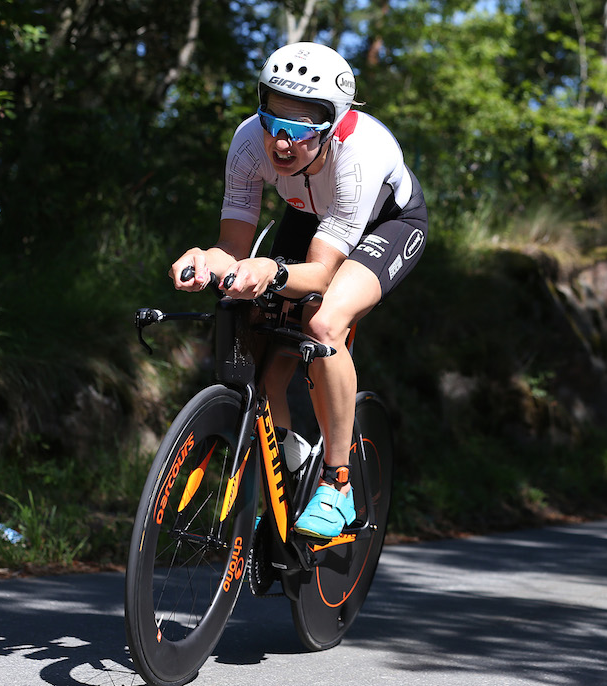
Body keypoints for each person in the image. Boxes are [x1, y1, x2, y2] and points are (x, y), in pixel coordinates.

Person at [169, 42, 428, 539]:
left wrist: (273, 273)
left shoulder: (359, 154)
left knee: (323, 321)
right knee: (261, 348)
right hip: (311, 214)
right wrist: (204, 259)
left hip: (386, 225)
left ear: (331, 125)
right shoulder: (248, 143)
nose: (280, 143)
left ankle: (338, 484)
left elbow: (323, 275)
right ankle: (286, 464)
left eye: (299, 129)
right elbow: (231, 245)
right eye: (271, 120)